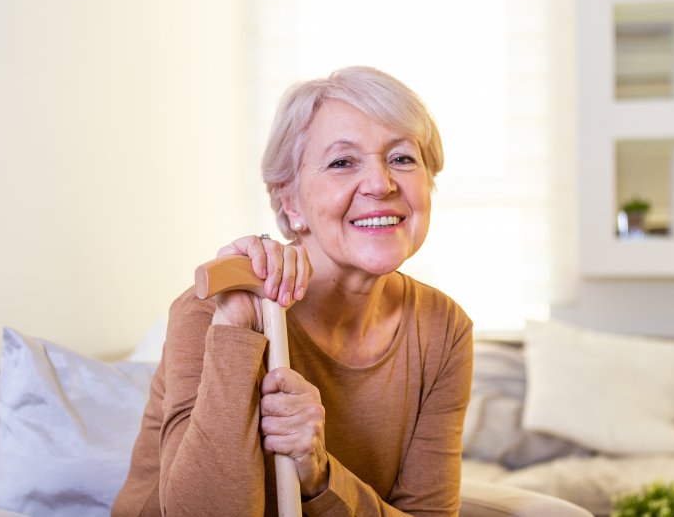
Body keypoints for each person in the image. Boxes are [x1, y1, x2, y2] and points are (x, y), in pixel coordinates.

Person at [112, 66, 473, 516]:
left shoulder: (443, 327)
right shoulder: (214, 307)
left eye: (402, 158)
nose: (381, 184)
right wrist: (235, 332)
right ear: (290, 202)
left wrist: (319, 474)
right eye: (342, 162)